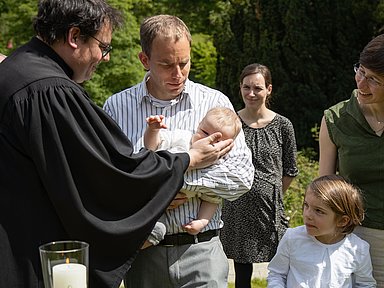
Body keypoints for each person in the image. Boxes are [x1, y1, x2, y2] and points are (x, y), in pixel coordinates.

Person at [0, 2, 234, 288]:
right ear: (75, 37)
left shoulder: (16, 71)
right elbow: (109, 173)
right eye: (104, 47)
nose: (105, 58)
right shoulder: (49, 90)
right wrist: (187, 160)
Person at [103, 14, 254, 288]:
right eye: (166, 64)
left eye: (184, 63)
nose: (178, 74)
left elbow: (241, 178)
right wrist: (171, 180)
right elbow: (109, 183)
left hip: (202, 251)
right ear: (144, 60)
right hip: (142, 255)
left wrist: (174, 182)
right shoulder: (115, 108)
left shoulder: (214, 103)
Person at [220, 63, 298, 288]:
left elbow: (290, 169)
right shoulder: (230, 123)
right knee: (242, 275)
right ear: (240, 88)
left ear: (269, 89)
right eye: (246, 87)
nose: (251, 93)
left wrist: (271, 192)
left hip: (270, 210)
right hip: (237, 209)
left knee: (281, 270)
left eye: (257, 88)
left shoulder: (283, 125)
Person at [319, 34, 384, 286]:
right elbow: (324, 188)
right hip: (357, 237)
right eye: (361, 71)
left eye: (374, 79)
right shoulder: (335, 119)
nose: (362, 83)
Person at [143, 107, 242, 245]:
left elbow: (212, 199)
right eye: (205, 132)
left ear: (228, 145)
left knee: (156, 231)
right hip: (148, 194)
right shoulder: (181, 137)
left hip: (165, 214)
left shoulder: (217, 165)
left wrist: (202, 221)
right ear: (199, 124)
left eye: (217, 141)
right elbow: (150, 148)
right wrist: (153, 130)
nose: (208, 141)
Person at [267, 175, 376, 287]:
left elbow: (365, 284)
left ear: (343, 221)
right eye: (306, 205)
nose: (308, 215)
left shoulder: (358, 249)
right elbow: (277, 274)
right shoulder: (292, 238)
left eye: (319, 211)